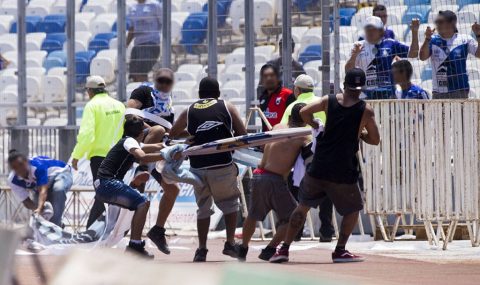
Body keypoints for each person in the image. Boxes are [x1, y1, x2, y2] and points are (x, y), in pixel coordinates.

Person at [270, 68, 380, 263]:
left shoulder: (329, 101)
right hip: (343, 168)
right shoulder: (365, 109)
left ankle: (284, 249)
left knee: (303, 207)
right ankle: (340, 250)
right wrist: (359, 134)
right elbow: (375, 139)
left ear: (344, 85)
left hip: (320, 165)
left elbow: (303, 112)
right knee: (354, 209)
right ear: (361, 88)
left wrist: (313, 124)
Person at [169, 77, 247, 262]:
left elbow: (172, 133)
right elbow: (243, 134)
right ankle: (229, 244)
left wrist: (194, 134)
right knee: (230, 204)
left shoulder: (189, 110)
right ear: (218, 93)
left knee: (203, 208)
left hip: (197, 167)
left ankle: (201, 249)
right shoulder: (227, 106)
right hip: (222, 164)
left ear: (199, 94)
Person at [236, 103, 311, 262]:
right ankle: (270, 249)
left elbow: (264, 146)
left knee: (253, 215)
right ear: (306, 120)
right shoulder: (304, 135)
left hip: (258, 175)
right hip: (275, 179)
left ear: (290, 117)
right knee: (295, 217)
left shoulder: (278, 126)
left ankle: (242, 249)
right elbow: (312, 156)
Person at [95, 116, 169, 258]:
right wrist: (166, 156)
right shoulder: (130, 142)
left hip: (105, 184)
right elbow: (143, 157)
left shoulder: (129, 141)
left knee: (139, 203)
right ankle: (135, 246)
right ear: (142, 133)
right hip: (107, 184)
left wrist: (177, 146)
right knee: (143, 202)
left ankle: (134, 244)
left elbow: (156, 147)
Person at [127, 68, 178, 255]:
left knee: (173, 190)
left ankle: (157, 231)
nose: (164, 84)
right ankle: (140, 168)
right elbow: (129, 112)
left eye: (168, 81)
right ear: (155, 79)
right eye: (161, 80)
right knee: (157, 130)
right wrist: (150, 128)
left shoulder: (168, 101)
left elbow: (171, 130)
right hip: (138, 145)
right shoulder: (143, 91)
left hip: (156, 151)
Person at [71, 76, 125, 229]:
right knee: (112, 194)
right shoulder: (119, 105)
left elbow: (87, 135)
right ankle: (110, 230)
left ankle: (90, 232)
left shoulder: (92, 106)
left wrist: (76, 155)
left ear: (89, 91)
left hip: (100, 158)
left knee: (102, 194)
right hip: (119, 157)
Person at [346, 16, 420, 99]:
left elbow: (413, 54)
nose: (371, 32)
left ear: (381, 31)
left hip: (388, 95)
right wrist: (354, 55)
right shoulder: (358, 45)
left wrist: (414, 32)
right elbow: (348, 71)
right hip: (366, 95)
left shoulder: (390, 43)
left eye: (374, 29)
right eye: (368, 29)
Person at [419, 10, 480, 99]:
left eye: (440, 22)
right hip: (439, 92)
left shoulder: (465, 39)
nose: (437, 25)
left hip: (460, 91)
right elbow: (422, 57)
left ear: (451, 23)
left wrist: (478, 35)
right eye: (436, 22)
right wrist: (427, 39)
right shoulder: (432, 40)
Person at [8, 151, 73, 227]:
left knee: (58, 189)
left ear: (26, 161)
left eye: (21, 165)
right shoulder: (12, 180)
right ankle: (54, 225)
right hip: (41, 185)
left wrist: (39, 207)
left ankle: (56, 226)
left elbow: (43, 190)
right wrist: (38, 210)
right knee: (40, 211)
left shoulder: (37, 167)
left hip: (61, 173)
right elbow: (26, 201)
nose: (19, 169)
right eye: (15, 168)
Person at [127, 0, 162, 82]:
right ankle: (138, 92)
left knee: (141, 72)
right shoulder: (132, 8)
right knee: (134, 74)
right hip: (138, 45)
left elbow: (163, 22)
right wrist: (126, 44)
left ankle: (144, 92)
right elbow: (132, 28)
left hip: (151, 43)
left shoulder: (155, 5)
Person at [257, 64, 296, 131]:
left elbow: (294, 122)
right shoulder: (262, 98)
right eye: (265, 76)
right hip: (268, 138)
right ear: (262, 80)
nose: (269, 78)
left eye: (272, 75)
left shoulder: (288, 95)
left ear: (277, 77)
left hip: (283, 137)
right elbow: (264, 124)